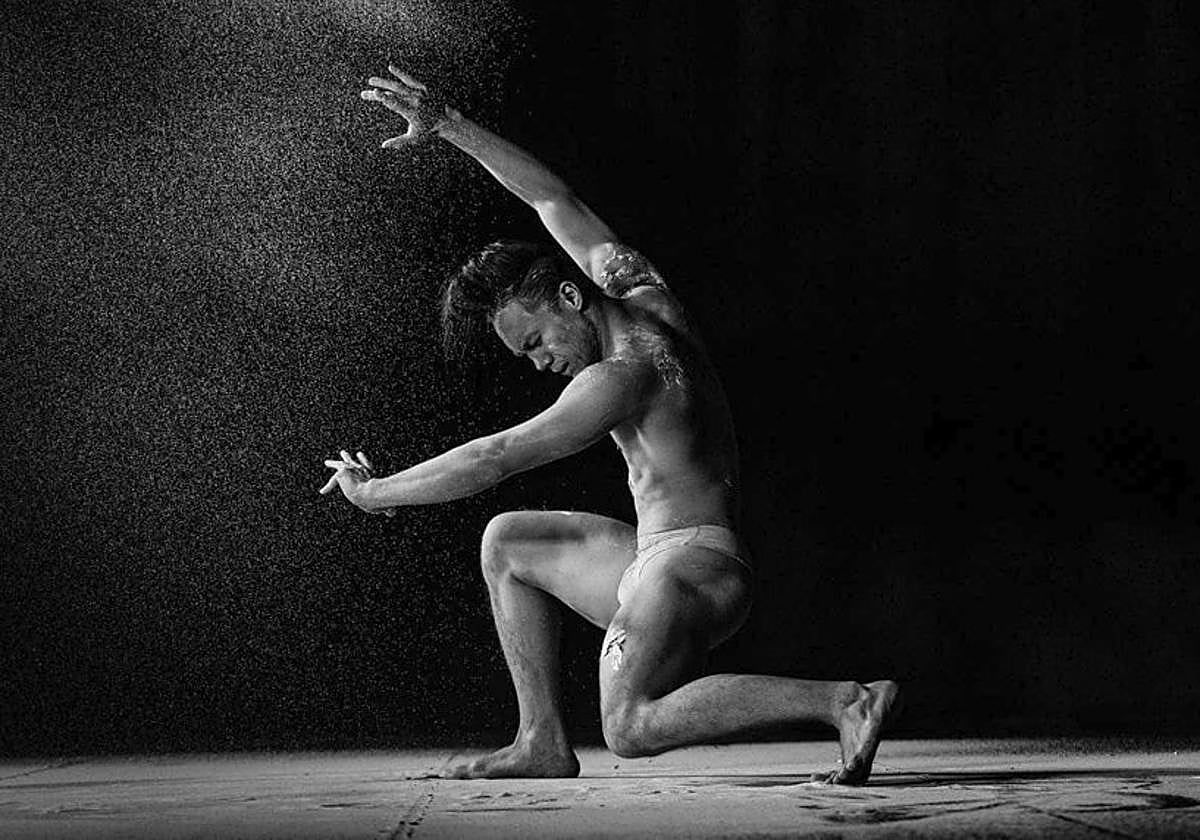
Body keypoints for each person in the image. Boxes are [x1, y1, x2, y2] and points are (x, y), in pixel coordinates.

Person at [321, 65, 901, 784]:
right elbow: (551, 199)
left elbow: (494, 457)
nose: (540, 363)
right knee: (508, 541)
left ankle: (846, 700)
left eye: (536, 342)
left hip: (696, 570)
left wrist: (377, 493)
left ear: (570, 298)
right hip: (654, 555)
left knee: (628, 727)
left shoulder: (622, 377)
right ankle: (539, 740)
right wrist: (451, 126)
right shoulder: (642, 290)